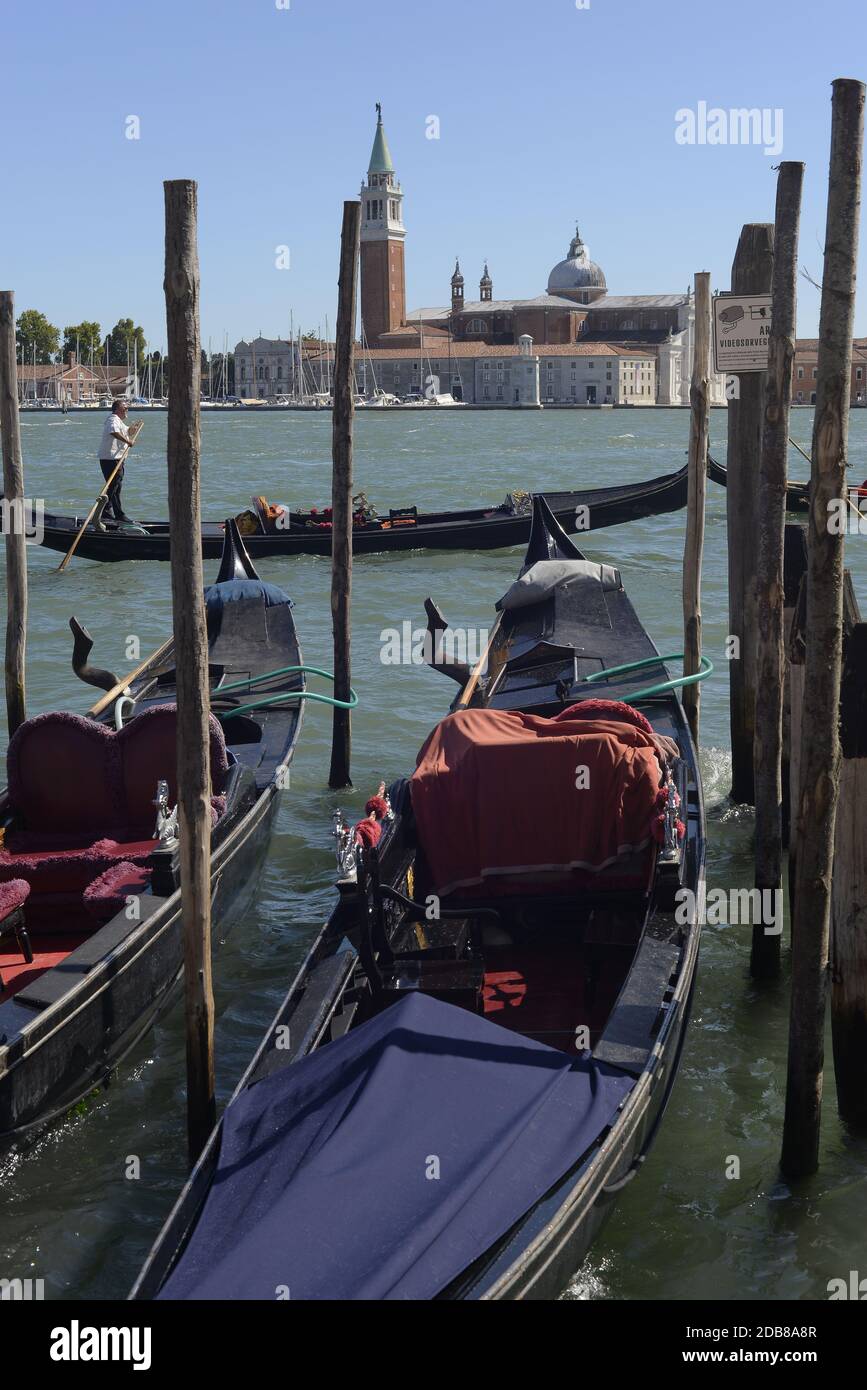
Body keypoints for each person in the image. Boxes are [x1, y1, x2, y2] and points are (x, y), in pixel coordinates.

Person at [97, 400, 136, 523]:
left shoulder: (119, 422)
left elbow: (125, 431)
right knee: (115, 486)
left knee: (115, 486)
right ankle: (116, 513)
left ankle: (107, 511)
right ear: (118, 410)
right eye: (125, 408)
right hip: (110, 458)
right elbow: (114, 432)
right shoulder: (112, 419)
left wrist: (132, 430)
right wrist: (128, 441)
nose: (127, 411)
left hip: (117, 458)